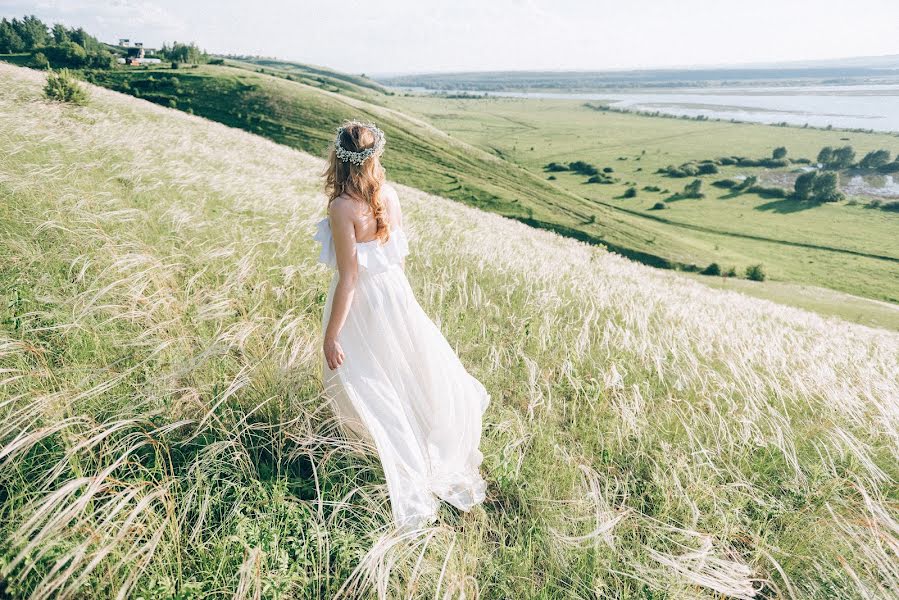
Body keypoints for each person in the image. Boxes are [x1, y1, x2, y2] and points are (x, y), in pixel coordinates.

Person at [314, 119, 490, 531]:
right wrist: (404, 303)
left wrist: (332, 333)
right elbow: (397, 256)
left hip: (363, 301)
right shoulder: (387, 196)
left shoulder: (341, 207)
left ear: (337, 157)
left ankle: (398, 455)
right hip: (396, 292)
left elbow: (350, 276)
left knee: (369, 379)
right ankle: (417, 445)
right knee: (405, 370)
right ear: (375, 157)